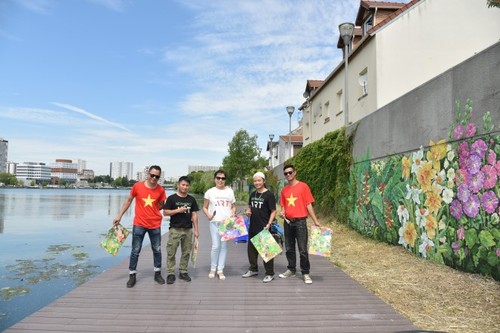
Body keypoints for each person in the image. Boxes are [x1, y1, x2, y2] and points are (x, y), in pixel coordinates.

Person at [113, 165, 167, 288]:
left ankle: (157, 273)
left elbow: (161, 205)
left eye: (157, 176)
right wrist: (119, 215)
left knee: (157, 250)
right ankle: (132, 275)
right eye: (152, 175)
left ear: (159, 177)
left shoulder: (161, 190)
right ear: (148, 174)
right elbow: (128, 200)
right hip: (139, 224)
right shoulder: (137, 186)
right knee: (135, 250)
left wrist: (153, 210)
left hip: (155, 224)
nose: (154, 178)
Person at [278, 164, 321, 284]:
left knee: (302, 249)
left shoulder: (303, 186)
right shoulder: (284, 190)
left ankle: (305, 273)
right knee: (289, 248)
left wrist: (315, 221)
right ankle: (291, 269)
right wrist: (282, 212)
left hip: (301, 222)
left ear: (295, 172)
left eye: (290, 172)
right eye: (286, 173)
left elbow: (309, 204)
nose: (288, 175)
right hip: (288, 222)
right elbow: (283, 206)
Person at [163, 176, 199, 284]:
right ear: (178, 185)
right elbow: (165, 212)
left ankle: (183, 271)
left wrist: (196, 230)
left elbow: (194, 215)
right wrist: (178, 210)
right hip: (175, 229)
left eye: (187, 185)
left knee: (186, 252)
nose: (185, 187)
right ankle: (170, 273)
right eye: (183, 185)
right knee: (171, 252)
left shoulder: (191, 199)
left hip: (188, 230)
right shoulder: (172, 198)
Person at [242, 171, 277, 283]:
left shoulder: (269, 194)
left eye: (259, 180)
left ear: (264, 181)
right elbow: (250, 207)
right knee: (251, 251)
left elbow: (273, 211)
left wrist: (269, 224)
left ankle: (270, 273)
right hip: (253, 226)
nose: (257, 182)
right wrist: (247, 211)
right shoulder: (253, 194)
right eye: (255, 181)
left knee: (267, 252)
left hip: (264, 227)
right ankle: (253, 269)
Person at [202, 169, 236, 280]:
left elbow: (233, 206)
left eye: (223, 178)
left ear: (225, 180)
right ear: (215, 179)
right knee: (216, 246)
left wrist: (233, 213)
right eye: (218, 178)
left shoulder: (230, 191)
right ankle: (213, 268)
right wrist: (208, 215)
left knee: (224, 246)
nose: (220, 180)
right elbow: (204, 207)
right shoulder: (209, 192)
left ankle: (220, 270)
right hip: (214, 222)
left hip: (226, 223)